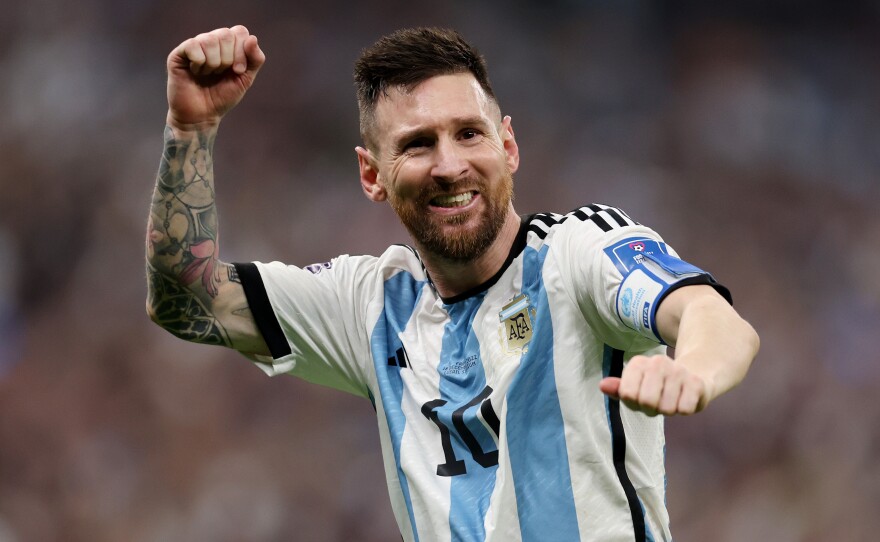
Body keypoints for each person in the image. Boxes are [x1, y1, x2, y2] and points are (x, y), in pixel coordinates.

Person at [146, 25, 759, 542]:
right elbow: (185, 299)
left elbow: (709, 315)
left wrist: (693, 371)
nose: (449, 165)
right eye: (417, 144)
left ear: (507, 145)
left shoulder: (577, 253)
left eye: (468, 133)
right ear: (372, 174)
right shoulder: (370, 303)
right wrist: (190, 130)